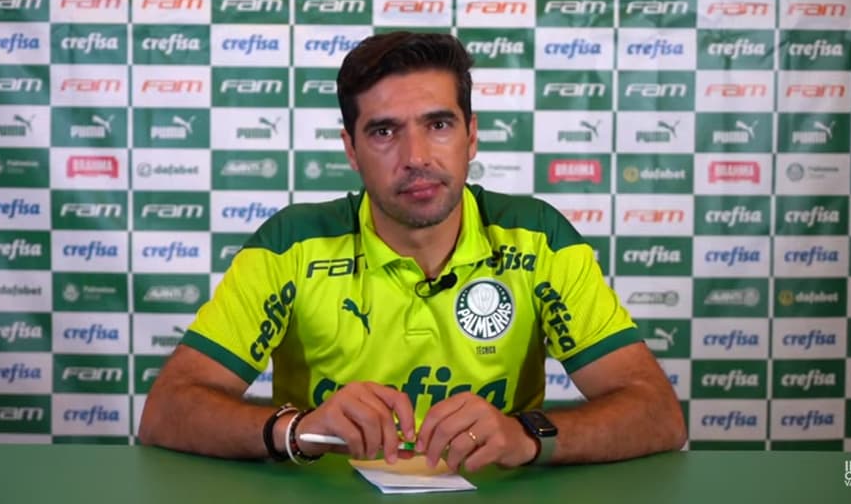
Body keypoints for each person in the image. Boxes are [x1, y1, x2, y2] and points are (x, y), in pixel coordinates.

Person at [138, 31, 686, 471]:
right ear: (351, 149)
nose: (415, 156)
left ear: (471, 135)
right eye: (384, 132)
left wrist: (526, 436)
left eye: (438, 124)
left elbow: (657, 413)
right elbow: (167, 410)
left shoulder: (537, 238)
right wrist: (298, 429)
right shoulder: (291, 244)